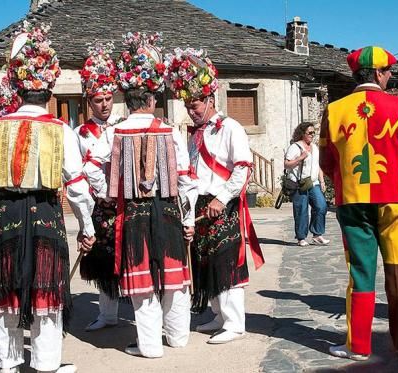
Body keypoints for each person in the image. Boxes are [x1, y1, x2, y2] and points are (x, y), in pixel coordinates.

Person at [0, 22, 95, 373]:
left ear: (16, 88)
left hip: (6, 217)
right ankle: (47, 366)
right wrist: (87, 227)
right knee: (46, 292)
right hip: (46, 214)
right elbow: (76, 186)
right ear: (47, 88)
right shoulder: (60, 129)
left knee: (7, 293)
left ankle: (9, 365)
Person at [319, 46, 398, 360]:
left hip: (354, 202)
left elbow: (327, 160)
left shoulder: (335, 109)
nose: (391, 76)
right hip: (397, 199)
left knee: (361, 272)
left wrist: (343, 184)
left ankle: (359, 346)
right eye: (388, 71)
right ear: (378, 73)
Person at [95, 32, 197, 358]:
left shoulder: (115, 131)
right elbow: (186, 180)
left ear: (128, 99)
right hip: (168, 212)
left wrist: (108, 195)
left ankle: (151, 347)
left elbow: (91, 168)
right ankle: (178, 337)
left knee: (142, 282)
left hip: (134, 214)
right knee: (174, 276)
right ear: (152, 99)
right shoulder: (170, 131)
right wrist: (190, 216)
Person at [166, 47, 264, 344]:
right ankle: (218, 316)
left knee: (225, 262)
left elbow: (244, 168)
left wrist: (222, 199)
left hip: (225, 204)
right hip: (202, 204)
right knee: (205, 261)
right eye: (187, 106)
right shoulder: (194, 134)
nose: (190, 111)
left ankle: (235, 323)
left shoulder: (230, 127)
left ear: (210, 100)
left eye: (195, 105)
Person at [75, 42, 124, 332]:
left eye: (108, 98)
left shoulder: (124, 126)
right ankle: (107, 314)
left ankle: (139, 311)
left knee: (130, 255)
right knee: (103, 260)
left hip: (125, 203)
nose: (104, 104)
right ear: (89, 101)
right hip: (97, 205)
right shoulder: (80, 134)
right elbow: (78, 172)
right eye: (98, 99)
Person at [284, 122, 329, 246]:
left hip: (313, 183)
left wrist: (322, 181)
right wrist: (300, 158)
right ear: (302, 133)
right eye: (310, 133)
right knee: (301, 210)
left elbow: (317, 165)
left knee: (321, 206)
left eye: (313, 133)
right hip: (300, 183)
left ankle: (317, 234)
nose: (312, 135)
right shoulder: (295, 147)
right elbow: (286, 164)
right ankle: (301, 237)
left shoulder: (314, 147)